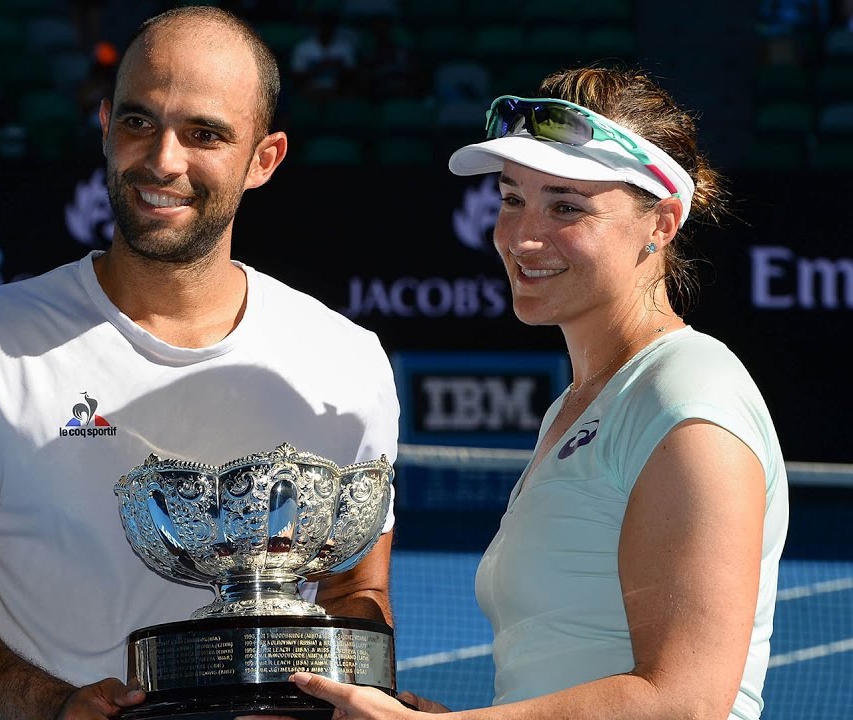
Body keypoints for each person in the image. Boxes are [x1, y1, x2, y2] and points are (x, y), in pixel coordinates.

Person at [0, 6, 400, 720]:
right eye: (138, 121)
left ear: (264, 159)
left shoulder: (347, 358)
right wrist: (55, 707)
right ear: (103, 126)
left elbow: (353, 596)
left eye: (205, 133)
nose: (162, 161)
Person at [257, 67, 790, 720]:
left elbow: (685, 702)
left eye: (567, 206)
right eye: (512, 199)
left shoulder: (687, 400)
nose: (521, 236)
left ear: (663, 221)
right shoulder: (580, 407)